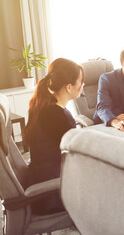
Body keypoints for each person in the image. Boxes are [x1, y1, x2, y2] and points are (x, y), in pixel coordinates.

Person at [23, 58, 85, 214]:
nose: (82, 85)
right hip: (51, 192)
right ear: (69, 87)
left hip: (42, 179)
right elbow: (78, 153)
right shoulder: (55, 115)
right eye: (80, 82)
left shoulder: (45, 106)